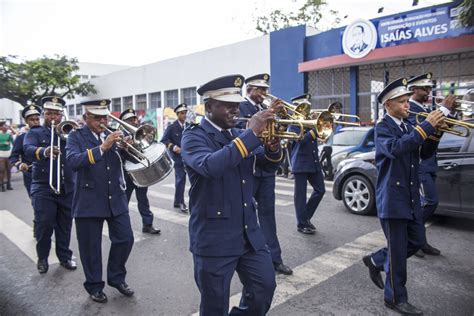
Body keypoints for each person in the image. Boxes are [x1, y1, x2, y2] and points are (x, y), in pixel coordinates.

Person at [181, 74, 282, 315]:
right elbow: (210, 166)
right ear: (209, 107)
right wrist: (251, 134)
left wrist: (273, 145)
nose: (234, 110)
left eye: (236, 104)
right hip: (214, 238)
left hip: (249, 233)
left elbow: (268, 166)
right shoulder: (193, 136)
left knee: (264, 288)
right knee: (214, 306)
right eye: (227, 105)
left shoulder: (238, 133)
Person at [362, 77, 445, 315]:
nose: (408, 105)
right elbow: (397, 149)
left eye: (408, 100)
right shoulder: (383, 127)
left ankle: (377, 260)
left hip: (410, 196)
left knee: (417, 240)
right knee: (398, 253)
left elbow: (424, 152)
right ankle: (395, 298)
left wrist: (435, 134)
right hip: (392, 198)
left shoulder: (409, 126)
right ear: (388, 105)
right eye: (402, 101)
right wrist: (425, 127)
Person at [66, 99, 135, 303]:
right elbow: (72, 161)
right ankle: (94, 285)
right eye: (97, 118)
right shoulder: (75, 136)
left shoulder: (113, 134)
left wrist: (128, 147)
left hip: (116, 198)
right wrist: (103, 147)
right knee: (90, 247)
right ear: (86, 118)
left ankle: (116, 277)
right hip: (89, 199)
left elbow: (125, 162)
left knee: (125, 239)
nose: (102, 121)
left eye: (105, 117)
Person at [238, 73, 292, 275]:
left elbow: (276, 132)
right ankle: (246, 258)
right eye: (259, 90)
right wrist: (270, 111)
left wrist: (284, 119)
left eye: (265, 90)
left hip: (266, 169)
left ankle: (275, 258)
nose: (263, 93)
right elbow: (240, 132)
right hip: (249, 169)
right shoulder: (241, 107)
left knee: (268, 215)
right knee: (245, 216)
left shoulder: (264, 109)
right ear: (249, 90)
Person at [23, 96, 76, 274]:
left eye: (57, 113)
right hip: (44, 185)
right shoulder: (36, 132)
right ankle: (43, 257)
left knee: (65, 224)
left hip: (67, 186)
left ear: (62, 115)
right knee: (44, 224)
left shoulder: (69, 132)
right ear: (44, 114)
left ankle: (65, 257)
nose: (53, 116)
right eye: (50, 113)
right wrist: (44, 151)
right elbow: (28, 150)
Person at [406, 72, 455, 258]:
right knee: (429, 202)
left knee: (426, 203)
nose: (428, 91)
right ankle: (412, 237)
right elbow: (421, 133)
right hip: (419, 164)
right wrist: (443, 110)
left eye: (429, 88)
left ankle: (420, 241)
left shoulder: (426, 110)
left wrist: (451, 111)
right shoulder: (411, 109)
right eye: (424, 88)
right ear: (413, 90)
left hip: (430, 162)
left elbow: (443, 128)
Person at [288, 94, 325, 235]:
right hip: (301, 162)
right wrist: (315, 131)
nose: (307, 110)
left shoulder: (311, 121)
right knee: (300, 195)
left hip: (313, 162)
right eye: (304, 107)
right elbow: (300, 140)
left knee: (320, 190)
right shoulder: (293, 123)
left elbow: (318, 137)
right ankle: (302, 224)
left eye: (308, 107)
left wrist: (321, 130)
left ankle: (305, 218)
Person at [119, 108, 160, 234]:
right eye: (130, 120)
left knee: (143, 199)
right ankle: (122, 226)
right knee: (124, 200)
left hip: (140, 169)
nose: (133, 122)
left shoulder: (139, 132)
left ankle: (147, 224)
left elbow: (147, 147)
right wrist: (123, 146)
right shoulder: (118, 134)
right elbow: (116, 155)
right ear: (123, 122)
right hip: (126, 172)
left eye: (134, 119)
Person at [161, 103, 189, 213]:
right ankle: (181, 202)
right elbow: (164, 140)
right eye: (182, 113)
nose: (184, 115)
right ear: (177, 114)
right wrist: (173, 147)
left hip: (188, 156)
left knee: (190, 179)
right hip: (177, 158)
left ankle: (177, 201)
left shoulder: (189, 126)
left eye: (185, 113)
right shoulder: (172, 127)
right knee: (181, 178)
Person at [10, 105, 42, 197]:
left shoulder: (48, 134)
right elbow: (13, 157)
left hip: (48, 174)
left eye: (37, 119)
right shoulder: (21, 137)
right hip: (31, 175)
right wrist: (20, 164)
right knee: (37, 204)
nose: (36, 122)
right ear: (26, 121)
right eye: (32, 120)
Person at [0, 120, 14, 192]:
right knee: (1, 170)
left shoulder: (9, 135)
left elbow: (13, 143)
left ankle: (8, 184)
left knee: (8, 170)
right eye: (4, 125)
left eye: (6, 125)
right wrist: (3, 143)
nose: (5, 127)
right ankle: (2, 185)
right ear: (1, 127)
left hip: (8, 154)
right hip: (1, 154)